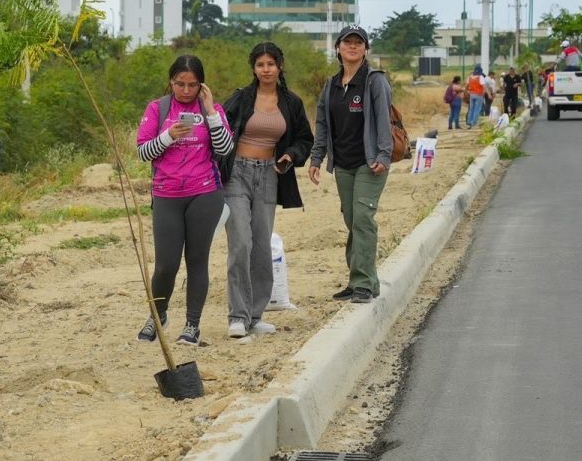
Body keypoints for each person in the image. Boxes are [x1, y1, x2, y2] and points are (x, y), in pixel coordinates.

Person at [135, 55, 234, 346]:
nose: (186, 90)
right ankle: (158, 314)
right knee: (166, 264)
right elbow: (143, 152)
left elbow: (225, 148)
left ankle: (192, 324)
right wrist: (167, 136)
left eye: (192, 85)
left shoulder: (211, 110)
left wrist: (210, 112)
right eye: (180, 84)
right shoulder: (158, 108)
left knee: (196, 260)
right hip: (166, 194)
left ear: (201, 85)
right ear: (171, 82)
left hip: (204, 192)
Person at [220, 42, 314, 339]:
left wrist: (291, 156)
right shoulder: (241, 98)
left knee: (261, 246)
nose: (266, 69)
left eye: (270, 64)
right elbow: (218, 127)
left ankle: (255, 316)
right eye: (260, 65)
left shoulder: (292, 102)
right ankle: (237, 316)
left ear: (279, 66)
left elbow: (304, 139)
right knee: (240, 244)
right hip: (237, 174)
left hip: (270, 175)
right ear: (254, 68)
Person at [308, 25, 393, 304]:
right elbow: (322, 123)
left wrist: (383, 155)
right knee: (352, 220)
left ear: (366, 49)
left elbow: (383, 120)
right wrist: (317, 157)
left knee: (363, 218)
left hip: (370, 163)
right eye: (348, 42)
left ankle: (363, 284)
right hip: (342, 164)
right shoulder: (331, 85)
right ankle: (362, 280)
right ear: (338, 48)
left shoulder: (374, 80)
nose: (353, 47)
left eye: (359, 42)